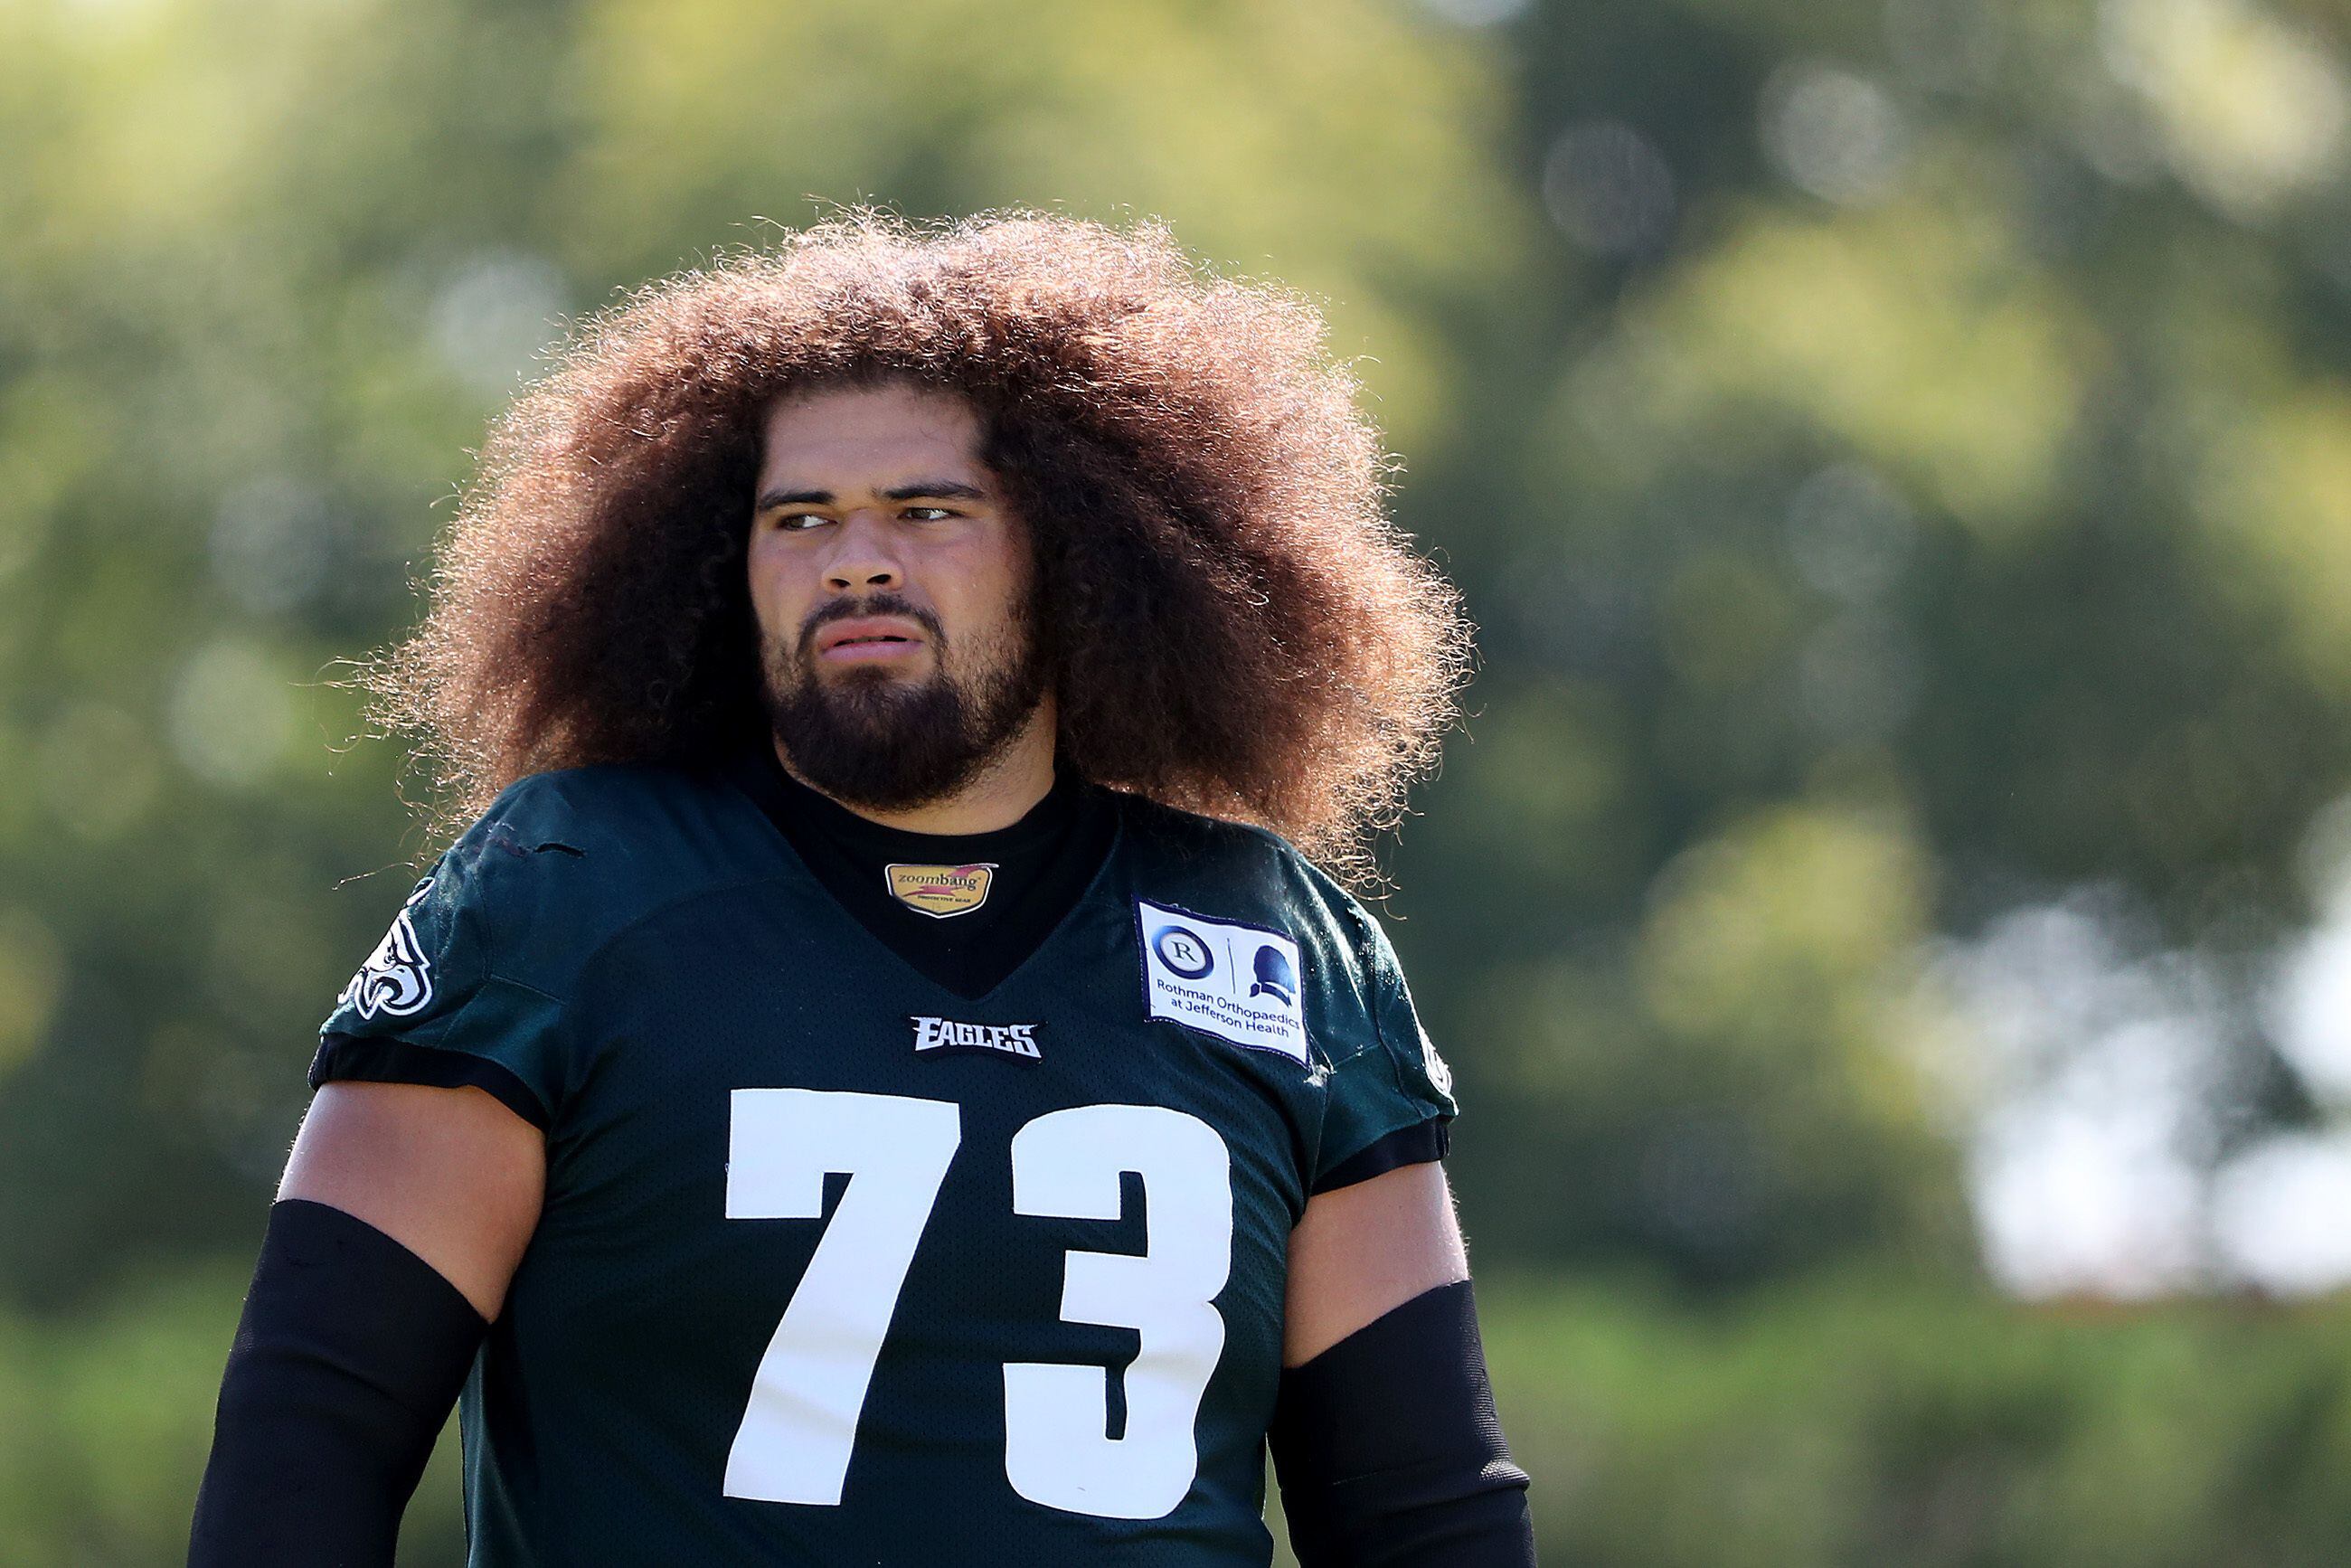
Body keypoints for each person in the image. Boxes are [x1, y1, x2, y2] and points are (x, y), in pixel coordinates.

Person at [189, 211, 1534, 1566]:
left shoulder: (1275, 941)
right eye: (800, 518)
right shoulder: (570, 890)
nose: (856, 560)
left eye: (927, 510)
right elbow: (310, 1434)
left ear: (1086, 548)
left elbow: (1428, 1512)